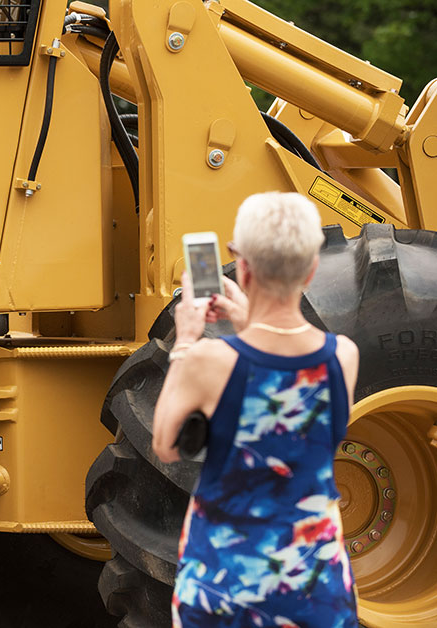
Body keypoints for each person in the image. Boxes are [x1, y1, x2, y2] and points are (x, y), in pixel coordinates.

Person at [152, 192, 360, 627]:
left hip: (225, 585)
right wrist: (249, 322)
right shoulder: (342, 356)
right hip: (313, 584)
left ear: (240, 266)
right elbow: (283, 376)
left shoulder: (212, 363)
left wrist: (187, 340)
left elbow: (167, 445)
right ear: (312, 268)